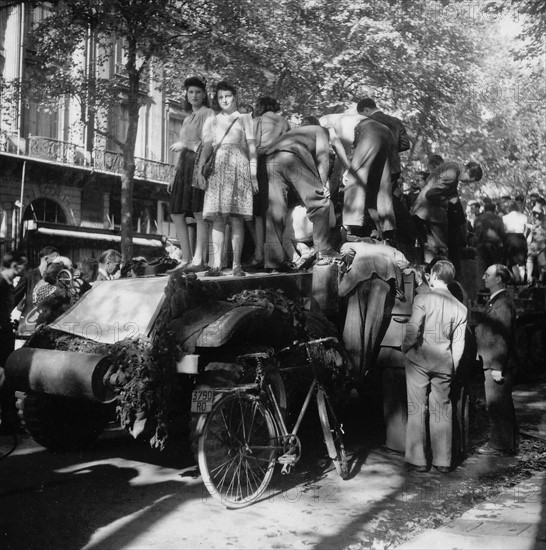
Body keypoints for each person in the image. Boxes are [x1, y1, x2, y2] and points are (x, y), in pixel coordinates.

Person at [402, 260, 467, 473]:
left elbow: (413, 329)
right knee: (442, 410)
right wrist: (453, 366)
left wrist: (406, 349)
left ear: (433, 275)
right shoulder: (461, 308)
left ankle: (418, 459)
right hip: (444, 363)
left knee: (417, 408)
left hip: (418, 361)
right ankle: (443, 461)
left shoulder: (422, 298)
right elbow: (459, 343)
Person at [197, 81, 258, 277]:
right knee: (218, 219)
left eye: (228, 96)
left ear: (235, 97)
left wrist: (253, 174)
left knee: (237, 217)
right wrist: (199, 171)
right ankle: (215, 265)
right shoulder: (211, 121)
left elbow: (251, 147)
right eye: (221, 97)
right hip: (217, 169)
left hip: (239, 167)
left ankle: (236, 265)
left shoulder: (245, 119)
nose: (224, 100)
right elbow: (207, 147)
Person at [262, 120, 339, 270]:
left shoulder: (294, 133)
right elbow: (323, 158)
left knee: (276, 210)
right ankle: (323, 252)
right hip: (292, 156)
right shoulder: (322, 130)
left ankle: (272, 262)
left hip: (271, 159)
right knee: (319, 203)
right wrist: (323, 185)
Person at [339, 238, 409, 387]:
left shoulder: (356, 244)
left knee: (353, 327)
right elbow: (404, 263)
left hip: (358, 280)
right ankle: (362, 374)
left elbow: (344, 251)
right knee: (372, 329)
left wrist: (349, 262)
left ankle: (351, 376)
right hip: (382, 282)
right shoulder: (390, 249)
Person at [168, 76, 215, 272]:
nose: (194, 95)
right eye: (190, 92)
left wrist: (201, 169)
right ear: (186, 95)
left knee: (198, 212)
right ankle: (185, 258)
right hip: (183, 166)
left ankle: (198, 260)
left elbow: (208, 144)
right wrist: (173, 174)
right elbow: (182, 149)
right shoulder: (187, 118)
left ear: (204, 95)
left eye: (197, 92)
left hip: (198, 164)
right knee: (176, 211)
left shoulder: (208, 113)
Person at [475, 264, 518, 455]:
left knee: (499, 405)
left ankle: (503, 445)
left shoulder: (503, 303)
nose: (484, 277)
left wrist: (498, 366)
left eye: (488, 274)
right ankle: (501, 442)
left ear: (499, 279)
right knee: (496, 405)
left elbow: (502, 335)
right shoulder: (497, 300)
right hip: (491, 360)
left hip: (496, 362)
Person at [246, 96, 291, 271]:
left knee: (258, 213)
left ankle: (259, 255)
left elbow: (253, 148)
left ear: (261, 106)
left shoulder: (258, 121)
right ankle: (276, 257)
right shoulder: (285, 122)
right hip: (282, 165)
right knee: (276, 212)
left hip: (261, 165)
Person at [411, 161, 483, 263]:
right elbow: (431, 194)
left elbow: (451, 194)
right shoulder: (452, 174)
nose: (467, 183)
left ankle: (430, 271)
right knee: (441, 249)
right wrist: (445, 201)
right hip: (432, 214)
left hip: (423, 211)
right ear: (467, 171)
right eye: (469, 180)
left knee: (431, 247)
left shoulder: (453, 167)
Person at [342, 114, 396, 241]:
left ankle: (351, 223)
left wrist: (346, 170)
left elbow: (342, 149)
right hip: (387, 133)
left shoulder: (325, 125)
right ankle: (387, 228)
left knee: (355, 178)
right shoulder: (342, 119)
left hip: (368, 130)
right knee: (381, 184)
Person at [0, 250, 27, 433]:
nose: (25, 269)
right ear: (15, 265)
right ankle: (8, 421)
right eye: (23, 265)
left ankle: (9, 421)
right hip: (1, 336)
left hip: (5, 334)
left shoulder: (7, 283)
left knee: (5, 378)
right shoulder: (1, 283)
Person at [356, 97, 410, 184]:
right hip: (393, 168)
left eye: (361, 115)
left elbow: (359, 146)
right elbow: (405, 144)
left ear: (366, 110)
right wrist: (392, 149)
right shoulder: (396, 121)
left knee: (372, 196)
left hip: (373, 168)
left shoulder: (366, 123)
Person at [14, 245, 59, 320]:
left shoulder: (55, 277)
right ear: (47, 259)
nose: (59, 263)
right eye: (57, 260)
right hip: (28, 322)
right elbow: (14, 299)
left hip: (45, 323)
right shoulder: (28, 276)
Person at [474, 201, 505, 282]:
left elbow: (475, 232)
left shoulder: (478, 219)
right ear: (494, 209)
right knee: (494, 268)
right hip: (495, 246)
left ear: (484, 209)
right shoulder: (498, 219)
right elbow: (502, 233)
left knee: (482, 268)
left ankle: (482, 289)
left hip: (481, 246)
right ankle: (493, 287)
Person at [502, 200, 528, 284]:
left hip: (509, 238)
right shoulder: (523, 216)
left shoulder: (505, 217)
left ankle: (517, 279)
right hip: (520, 238)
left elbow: (503, 230)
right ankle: (522, 279)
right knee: (521, 262)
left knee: (511, 261)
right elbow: (526, 229)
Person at [526, 203, 546, 284]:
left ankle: (539, 279)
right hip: (536, 244)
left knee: (540, 262)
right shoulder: (532, 222)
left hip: (541, 245)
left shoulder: (537, 224)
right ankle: (530, 277)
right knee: (532, 259)